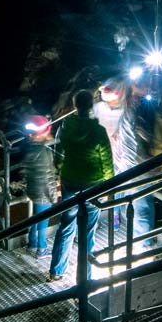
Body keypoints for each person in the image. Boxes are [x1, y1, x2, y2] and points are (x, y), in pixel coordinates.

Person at [49, 89, 113, 282]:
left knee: (66, 225)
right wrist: (109, 185)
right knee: (88, 231)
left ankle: (56, 271)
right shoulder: (98, 131)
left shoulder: (66, 126)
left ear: (75, 105)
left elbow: (58, 153)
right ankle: (84, 278)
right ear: (91, 106)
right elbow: (107, 161)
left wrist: (60, 172)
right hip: (93, 183)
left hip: (70, 182)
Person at [93, 80, 155, 252]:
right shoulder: (136, 110)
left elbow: (133, 142)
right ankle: (137, 237)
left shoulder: (133, 112)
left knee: (140, 204)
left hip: (134, 166)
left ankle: (144, 244)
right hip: (129, 164)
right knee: (136, 201)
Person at [20, 115, 59, 257]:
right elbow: (47, 178)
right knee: (43, 221)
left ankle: (32, 243)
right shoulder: (44, 152)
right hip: (43, 193)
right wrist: (53, 196)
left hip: (33, 189)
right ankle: (41, 248)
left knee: (36, 218)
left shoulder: (30, 148)